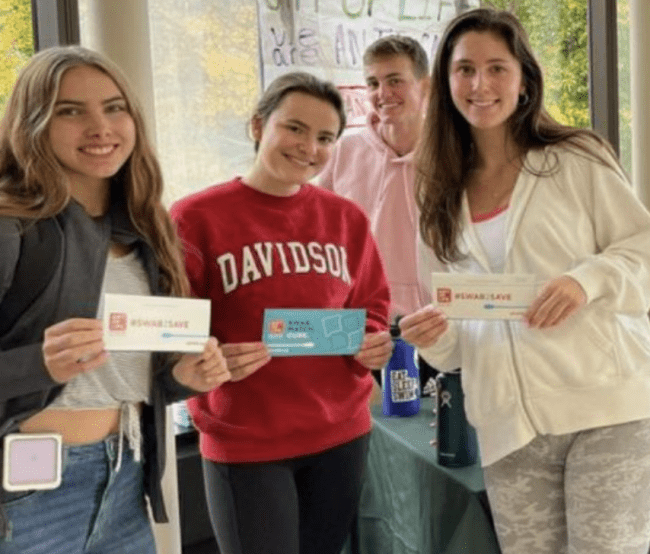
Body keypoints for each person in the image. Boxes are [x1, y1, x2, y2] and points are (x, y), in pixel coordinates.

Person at [399, 8, 650, 554]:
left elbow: (642, 249)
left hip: (607, 407)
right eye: (464, 69)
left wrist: (588, 280)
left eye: (497, 68)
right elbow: (456, 345)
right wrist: (433, 337)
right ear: (445, 82)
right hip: (507, 428)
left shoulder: (576, 158)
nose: (480, 84)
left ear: (524, 79)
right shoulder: (437, 195)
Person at [0, 46, 230, 554]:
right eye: (70, 110)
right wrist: (36, 364)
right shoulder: (10, 225)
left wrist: (179, 380)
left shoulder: (148, 228)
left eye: (114, 106)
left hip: (128, 475)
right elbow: (39, 375)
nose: (100, 127)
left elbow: (121, 379)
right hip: (27, 495)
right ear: (32, 122)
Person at [171, 71, 393, 554]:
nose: (308, 147)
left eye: (325, 138)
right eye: (294, 128)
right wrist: (206, 357)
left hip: (340, 434)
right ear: (257, 126)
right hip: (246, 441)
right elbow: (175, 327)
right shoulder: (195, 217)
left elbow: (371, 304)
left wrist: (372, 341)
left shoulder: (346, 218)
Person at [319, 35, 430, 318]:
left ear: (425, 86)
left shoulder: (455, 154)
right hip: (361, 319)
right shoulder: (343, 150)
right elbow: (321, 236)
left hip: (437, 321)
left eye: (395, 81)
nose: (383, 93)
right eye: (373, 84)